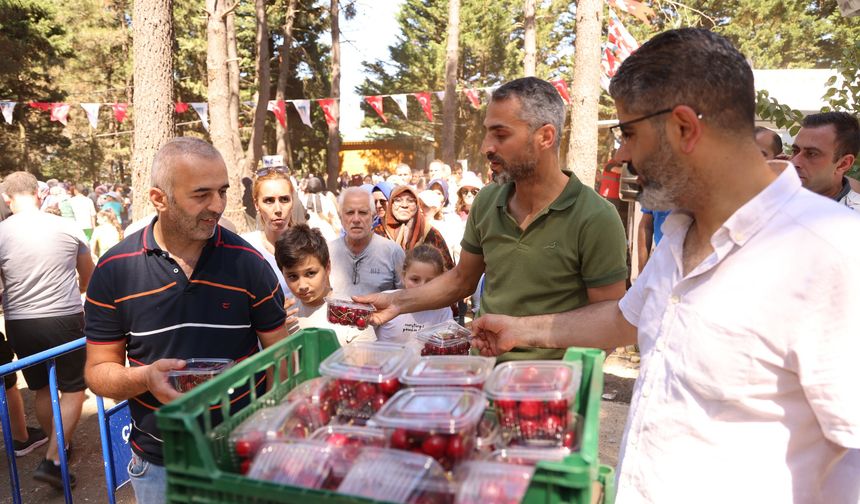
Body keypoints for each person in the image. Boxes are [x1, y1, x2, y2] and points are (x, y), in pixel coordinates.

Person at [470, 28, 860, 503]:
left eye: (629, 134)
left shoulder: (832, 253)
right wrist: (519, 330)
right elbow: (625, 317)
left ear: (683, 128)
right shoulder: (680, 232)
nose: (619, 157)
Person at [356, 77, 628, 362]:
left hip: (554, 390)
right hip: (483, 375)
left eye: (501, 135)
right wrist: (396, 301)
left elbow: (609, 320)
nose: (486, 147)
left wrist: (551, 364)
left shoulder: (596, 217)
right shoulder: (487, 201)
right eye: (487, 134)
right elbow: (461, 280)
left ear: (545, 137)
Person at [83, 138, 288, 503]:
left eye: (223, 191)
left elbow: (282, 359)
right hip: (161, 465)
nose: (218, 206)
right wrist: (145, 378)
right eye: (202, 194)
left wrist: (270, 437)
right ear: (159, 198)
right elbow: (99, 372)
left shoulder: (250, 264)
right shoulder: (114, 270)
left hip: (239, 459)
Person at [0, 171, 94, 489]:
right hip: (64, 317)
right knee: (74, 389)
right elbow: (88, 278)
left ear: (7, 199)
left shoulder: (1, 233)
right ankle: (55, 459)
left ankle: (59, 448)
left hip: (18, 321)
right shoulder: (66, 226)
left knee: (41, 387)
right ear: (38, 195)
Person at [275, 224, 375, 346]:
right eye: (292, 276)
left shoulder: (351, 312)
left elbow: (366, 359)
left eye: (310, 273)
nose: (302, 285)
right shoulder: (281, 311)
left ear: (327, 267)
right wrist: (276, 332)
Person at [328, 187, 405, 298]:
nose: (356, 219)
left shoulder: (393, 253)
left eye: (363, 213)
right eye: (349, 213)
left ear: (373, 216)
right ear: (340, 217)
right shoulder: (328, 252)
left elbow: (403, 298)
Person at [375, 244, 453, 343]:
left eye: (430, 281)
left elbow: (446, 344)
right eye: (415, 280)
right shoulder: (387, 300)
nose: (421, 286)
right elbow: (366, 334)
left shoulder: (442, 310)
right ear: (403, 276)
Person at [373, 185, 455, 271]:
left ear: (417, 205)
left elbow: (448, 270)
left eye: (410, 201)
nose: (404, 205)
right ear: (391, 204)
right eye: (397, 200)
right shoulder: (378, 233)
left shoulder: (430, 233)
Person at [790, 111, 860, 211]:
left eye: (812, 154)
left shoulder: (855, 219)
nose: (794, 162)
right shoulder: (772, 206)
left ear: (843, 164)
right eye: (795, 151)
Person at [636, 207, 670, 273]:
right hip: (660, 261)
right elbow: (646, 226)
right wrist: (642, 271)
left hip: (688, 261)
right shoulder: (652, 197)